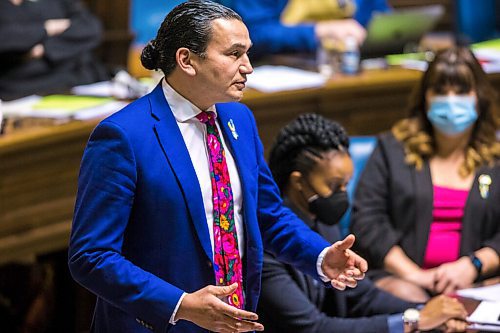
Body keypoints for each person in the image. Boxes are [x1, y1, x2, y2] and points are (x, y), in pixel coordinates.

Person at [68, 2, 367, 332]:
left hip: (233, 321)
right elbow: (91, 256)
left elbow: (267, 213)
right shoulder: (124, 136)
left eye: (248, 53)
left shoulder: (239, 119)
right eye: (234, 54)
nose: (248, 67)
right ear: (187, 60)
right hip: (160, 324)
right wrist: (180, 305)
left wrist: (321, 257)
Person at [261, 112, 468, 333]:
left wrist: (429, 311)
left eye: (346, 185)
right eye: (333, 185)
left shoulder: (323, 224)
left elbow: (360, 296)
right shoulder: (267, 244)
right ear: (298, 182)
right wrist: (415, 321)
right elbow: (312, 328)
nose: (342, 195)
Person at [350, 46, 500, 303]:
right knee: (415, 305)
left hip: (477, 282)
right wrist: (415, 275)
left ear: (480, 98)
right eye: (440, 91)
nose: (451, 100)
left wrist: (474, 264)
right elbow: (367, 222)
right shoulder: (392, 149)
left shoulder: (496, 158)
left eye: (462, 91)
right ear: (425, 98)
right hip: (403, 283)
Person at [0, 0, 109, 101]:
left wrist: (44, 49)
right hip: (21, 87)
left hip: (76, 81)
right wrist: (47, 28)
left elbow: (91, 28)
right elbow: (6, 39)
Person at [223, 0, 390, 59]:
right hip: (284, 70)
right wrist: (317, 31)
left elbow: (382, 16)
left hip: (352, 66)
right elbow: (254, 33)